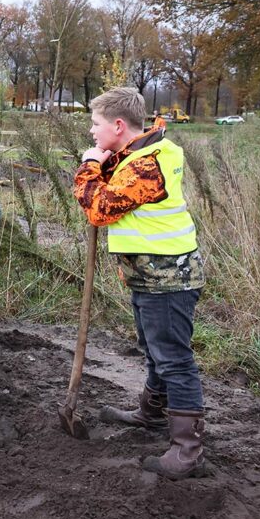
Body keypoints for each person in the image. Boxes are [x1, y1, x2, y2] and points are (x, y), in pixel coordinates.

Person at [74, 86, 207, 480]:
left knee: (175, 359)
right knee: (153, 347)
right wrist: (103, 160)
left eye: (96, 126)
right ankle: (151, 414)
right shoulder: (143, 153)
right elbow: (116, 181)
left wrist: (88, 165)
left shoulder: (145, 166)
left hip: (168, 278)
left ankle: (187, 450)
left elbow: (99, 207)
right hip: (152, 275)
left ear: (118, 125)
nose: (92, 134)